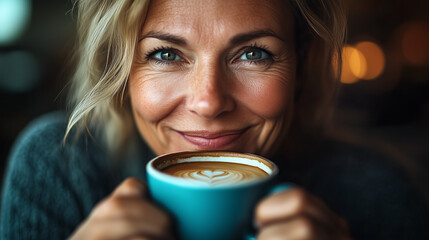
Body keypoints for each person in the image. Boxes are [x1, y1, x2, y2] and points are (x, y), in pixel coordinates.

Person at [1, 0, 428, 239]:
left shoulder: (376, 191)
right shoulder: (57, 167)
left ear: (302, 64)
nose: (208, 102)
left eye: (253, 53)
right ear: (119, 71)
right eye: (166, 54)